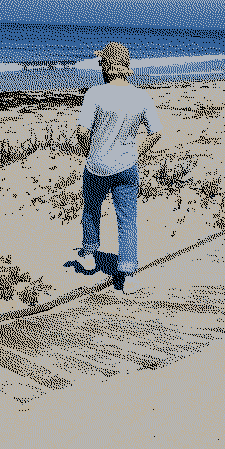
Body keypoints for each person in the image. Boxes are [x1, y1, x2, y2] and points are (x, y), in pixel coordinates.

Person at [74, 43, 163, 295]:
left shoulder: (95, 93)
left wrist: (88, 151)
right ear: (125, 68)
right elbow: (156, 133)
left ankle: (89, 253)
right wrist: (136, 153)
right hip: (126, 166)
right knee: (127, 220)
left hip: (97, 165)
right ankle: (128, 274)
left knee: (92, 209)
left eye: (101, 63)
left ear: (105, 67)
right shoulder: (142, 97)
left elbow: (82, 132)